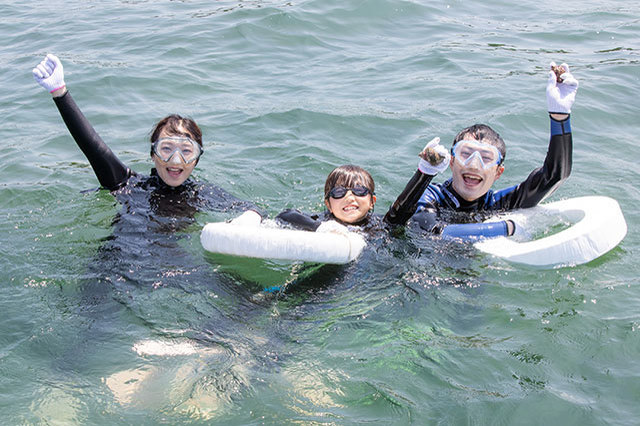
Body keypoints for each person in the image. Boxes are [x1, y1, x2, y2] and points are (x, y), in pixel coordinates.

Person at [32, 54, 259, 224]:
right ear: (153, 154)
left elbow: (253, 210)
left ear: (197, 159)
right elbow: (95, 149)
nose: (175, 159)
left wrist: (253, 219)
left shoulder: (202, 194)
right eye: (166, 148)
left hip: (176, 267)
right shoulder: (128, 185)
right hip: (117, 264)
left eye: (186, 151)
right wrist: (60, 93)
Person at [387, 62, 579, 239]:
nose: (474, 164)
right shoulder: (430, 195)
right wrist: (506, 228)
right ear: (452, 162)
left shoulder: (500, 203)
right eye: (465, 153)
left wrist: (560, 117)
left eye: (486, 157)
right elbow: (430, 230)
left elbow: (554, 177)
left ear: (498, 172)